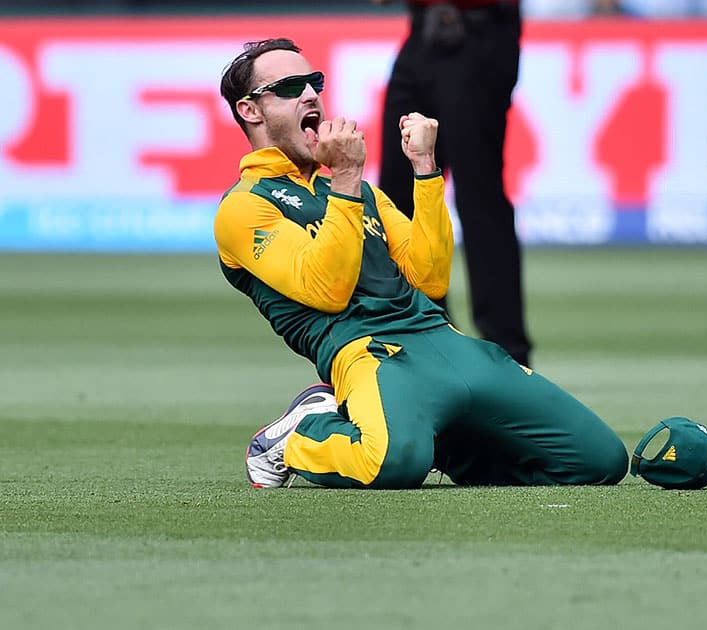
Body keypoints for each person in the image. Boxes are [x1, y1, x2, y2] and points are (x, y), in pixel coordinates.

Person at [214, 38, 627, 489]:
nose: (311, 95)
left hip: (446, 341)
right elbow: (325, 290)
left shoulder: (364, 195)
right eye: (291, 87)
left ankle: (445, 442)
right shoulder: (244, 207)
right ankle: (295, 437)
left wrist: (425, 169)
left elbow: (429, 279)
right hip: (369, 353)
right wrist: (347, 178)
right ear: (250, 111)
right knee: (390, 464)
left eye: (315, 82)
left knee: (599, 461)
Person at [372, 0, 533, 366]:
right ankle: (426, 334)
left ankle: (507, 353)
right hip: (424, 30)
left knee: (479, 196)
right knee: (398, 196)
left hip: (479, 30)